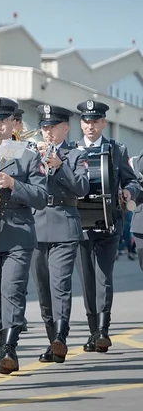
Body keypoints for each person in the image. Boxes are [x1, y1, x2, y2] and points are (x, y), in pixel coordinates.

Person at [0, 97, 47, 374]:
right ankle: (1, 344)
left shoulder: (28, 154)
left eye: (3, 121)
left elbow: (41, 197)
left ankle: (10, 350)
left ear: (12, 122)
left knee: (12, 292)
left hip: (17, 231)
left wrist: (13, 183)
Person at [74, 100, 139, 352]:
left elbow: (132, 180)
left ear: (103, 123)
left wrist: (127, 192)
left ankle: (103, 330)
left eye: (95, 121)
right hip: (80, 225)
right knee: (87, 279)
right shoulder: (71, 150)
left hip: (109, 223)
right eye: (86, 121)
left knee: (104, 277)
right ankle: (92, 331)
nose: (90, 126)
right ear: (81, 123)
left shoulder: (116, 150)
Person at [31, 104, 89, 363]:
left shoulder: (76, 154)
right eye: (44, 127)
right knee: (43, 289)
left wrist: (60, 165)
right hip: (36, 227)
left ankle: (61, 338)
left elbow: (82, 188)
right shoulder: (32, 153)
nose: (48, 132)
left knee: (60, 286)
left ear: (66, 127)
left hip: (64, 224)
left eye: (53, 126)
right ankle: (51, 340)